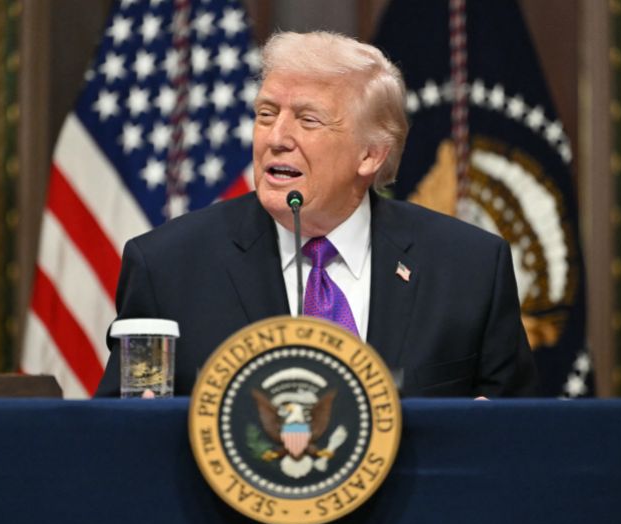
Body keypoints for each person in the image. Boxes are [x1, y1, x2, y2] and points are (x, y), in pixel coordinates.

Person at [96, 31, 535, 398]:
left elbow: (520, 444)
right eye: (266, 114)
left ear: (370, 154)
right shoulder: (168, 267)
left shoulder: (470, 268)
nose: (276, 137)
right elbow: (122, 441)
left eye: (308, 120)